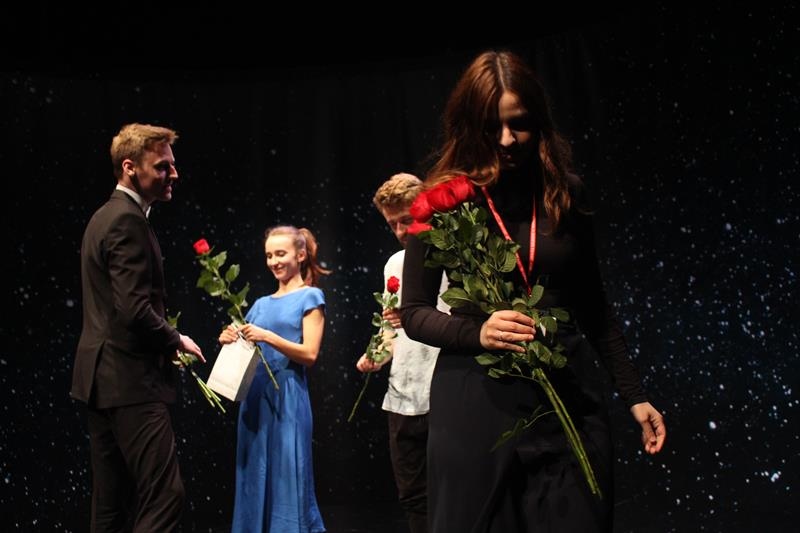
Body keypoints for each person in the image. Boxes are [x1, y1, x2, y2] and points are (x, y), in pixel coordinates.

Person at [400, 50, 667, 532]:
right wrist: (478, 333)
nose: (507, 139)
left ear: (538, 120)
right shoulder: (441, 202)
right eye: (492, 126)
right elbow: (415, 312)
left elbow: (594, 306)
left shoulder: (566, 192)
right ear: (469, 126)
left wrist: (634, 394)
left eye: (519, 124)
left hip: (566, 397)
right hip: (477, 406)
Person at [71, 123, 205, 531]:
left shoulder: (103, 216)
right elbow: (132, 309)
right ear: (130, 168)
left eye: (172, 165)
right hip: (129, 381)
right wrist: (174, 339)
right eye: (162, 166)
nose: (173, 174)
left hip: (102, 381)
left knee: (112, 504)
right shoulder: (126, 221)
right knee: (165, 495)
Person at [219, 225, 330, 533]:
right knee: (254, 477)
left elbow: (309, 354)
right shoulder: (259, 305)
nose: (274, 261)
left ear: (301, 254)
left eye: (280, 254)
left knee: (288, 477)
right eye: (269, 255)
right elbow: (248, 348)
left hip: (288, 399)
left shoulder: (311, 296)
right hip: (256, 400)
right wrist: (229, 337)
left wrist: (267, 335)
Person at [355, 173, 448, 533]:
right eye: (392, 224)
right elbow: (389, 329)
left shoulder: (452, 257)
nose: (399, 231)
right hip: (403, 397)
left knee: (453, 492)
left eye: (406, 220)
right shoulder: (394, 264)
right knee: (413, 496)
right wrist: (376, 354)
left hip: (444, 391)